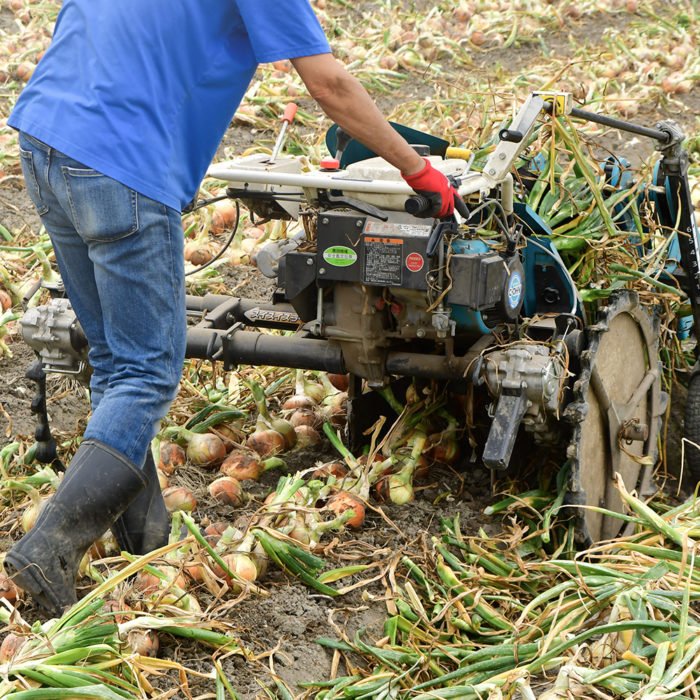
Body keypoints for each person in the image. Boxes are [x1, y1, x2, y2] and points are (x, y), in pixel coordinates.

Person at [5, 0, 459, 617]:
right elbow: (329, 83)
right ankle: (50, 546)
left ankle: (144, 539)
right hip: (123, 164)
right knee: (148, 370)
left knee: (117, 360)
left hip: (45, 138)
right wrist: (418, 171)